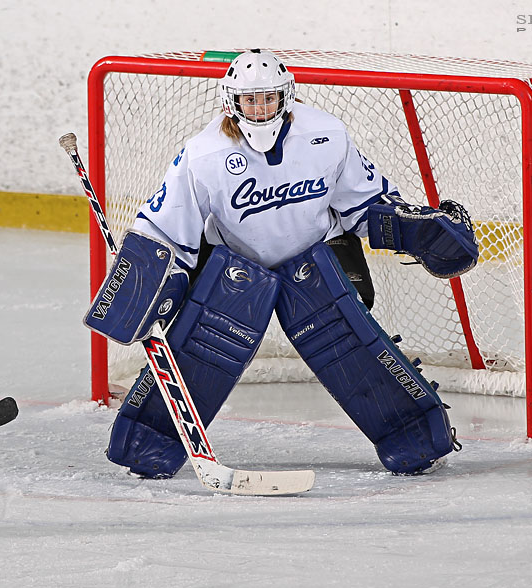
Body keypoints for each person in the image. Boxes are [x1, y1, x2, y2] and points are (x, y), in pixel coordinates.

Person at [83, 49, 478, 479]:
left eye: (268, 99)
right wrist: (144, 279)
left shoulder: (326, 134)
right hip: (234, 269)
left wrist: (408, 228)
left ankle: (416, 436)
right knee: (197, 356)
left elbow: (363, 204)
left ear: (286, 96)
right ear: (231, 101)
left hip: (316, 258)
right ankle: (147, 441)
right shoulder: (204, 154)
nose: (260, 109)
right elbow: (165, 228)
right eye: (250, 101)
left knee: (355, 349)